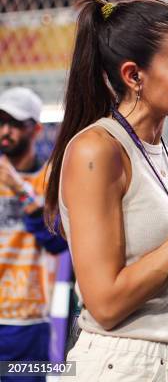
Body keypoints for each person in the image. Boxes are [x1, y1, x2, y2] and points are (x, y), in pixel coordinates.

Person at [44, 0, 168, 381]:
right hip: (124, 364)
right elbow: (105, 302)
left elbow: (165, 252)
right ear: (134, 75)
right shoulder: (96, 150)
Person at [0, 87, 69, 382]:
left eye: (15, 124)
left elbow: (55, 241)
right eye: (1, 122)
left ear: (36, 129)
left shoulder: (51, 179)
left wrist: (19, 188)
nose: (5, 131)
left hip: (28, 320)